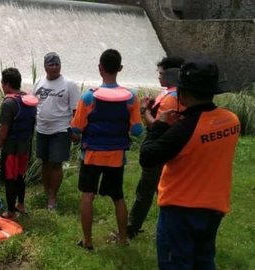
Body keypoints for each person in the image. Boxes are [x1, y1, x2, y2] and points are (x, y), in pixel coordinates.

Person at [140, 59, 240, 269]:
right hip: (214, 208)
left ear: (183, 94)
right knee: (203, 262)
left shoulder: (184, 129)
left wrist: (158, 126)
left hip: (180, 211)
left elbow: (147, 157)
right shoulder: (231, 121)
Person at [70, 49, 143, 250]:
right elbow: (137, 131)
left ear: (100, 68)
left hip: (92, 155)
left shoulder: (88, 97)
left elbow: (76, 128)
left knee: (87, 195)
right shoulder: (131, 98)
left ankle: (87, 241)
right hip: (116, 157)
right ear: (120, 68)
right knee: (118, 197)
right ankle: (122, 239)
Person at [127, 56, 185, 239]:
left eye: (161, 73)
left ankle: (131, 229)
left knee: (145, 192)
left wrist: (144, 110)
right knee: (166, 190)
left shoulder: (169, 99)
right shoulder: (181, 94)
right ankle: (175, 229)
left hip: (158, 149)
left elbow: (154, 125)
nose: (158, 77)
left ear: (171, 74)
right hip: (174, 149)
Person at [33, 52, 81, 211]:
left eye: (57, 64)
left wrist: (76, 130)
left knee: (56, 163)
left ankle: (53, 197)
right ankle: (46, 191)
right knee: (45, 161)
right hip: (41, 129)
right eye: (50, 65)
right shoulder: (39, 81)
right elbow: (35, 104)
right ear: (45, 66)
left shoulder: (69, 84)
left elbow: (76, 110)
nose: (54, 67)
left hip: (61, 129)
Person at [0, 67, 37, 219]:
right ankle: (21, 204)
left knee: (10, 178)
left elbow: (3, 131)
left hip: (11, 147)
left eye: (3, 83)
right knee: (20, 175)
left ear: (7, 84)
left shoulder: (9, 103)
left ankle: (11, 212)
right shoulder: (29, 100)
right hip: (25, 146)